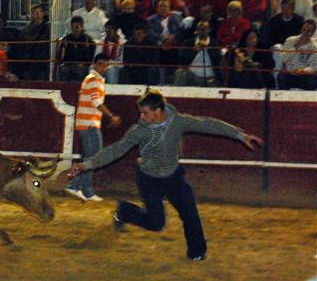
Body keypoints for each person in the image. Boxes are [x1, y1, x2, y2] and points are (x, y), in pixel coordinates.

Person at [69, 89, 263, 261]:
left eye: (145, 113)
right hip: (149, 179)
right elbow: (116, 150)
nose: (142, 117)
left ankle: (197, 253)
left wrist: (240, 135)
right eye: (141, 113)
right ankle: (124, 211)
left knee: (190, 213)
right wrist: (86, 165)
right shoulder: (139, 131)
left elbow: (208, 124)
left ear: (158, 112)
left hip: (173, 176)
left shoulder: (178, 122)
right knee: (156, 223)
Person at [65, 53, 121, 202]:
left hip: (87, 122)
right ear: (94, 64)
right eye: (101, 64)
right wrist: (111, 116)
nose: (103, 67)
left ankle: (77, 186)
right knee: (93, 158)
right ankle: (83, 189)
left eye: (105, 65)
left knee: (89, 157)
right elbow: (96, 102)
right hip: (89, 123)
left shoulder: (91, 79)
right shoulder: (95, 80)